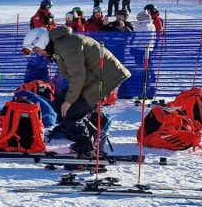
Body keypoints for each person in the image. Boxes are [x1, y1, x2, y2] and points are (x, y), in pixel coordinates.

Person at [21, 26, 130, 156]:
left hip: (105, 77)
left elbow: (78, 75)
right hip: (91, 76)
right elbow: (74, 75)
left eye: (37, 50)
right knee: (57, 107)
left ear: (42, 42)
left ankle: (86, 147)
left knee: (71, 116)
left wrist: (69, 101)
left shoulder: (67, 45)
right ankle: (93, 136)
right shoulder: (59, 45)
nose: (39, 53)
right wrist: (67, 99)